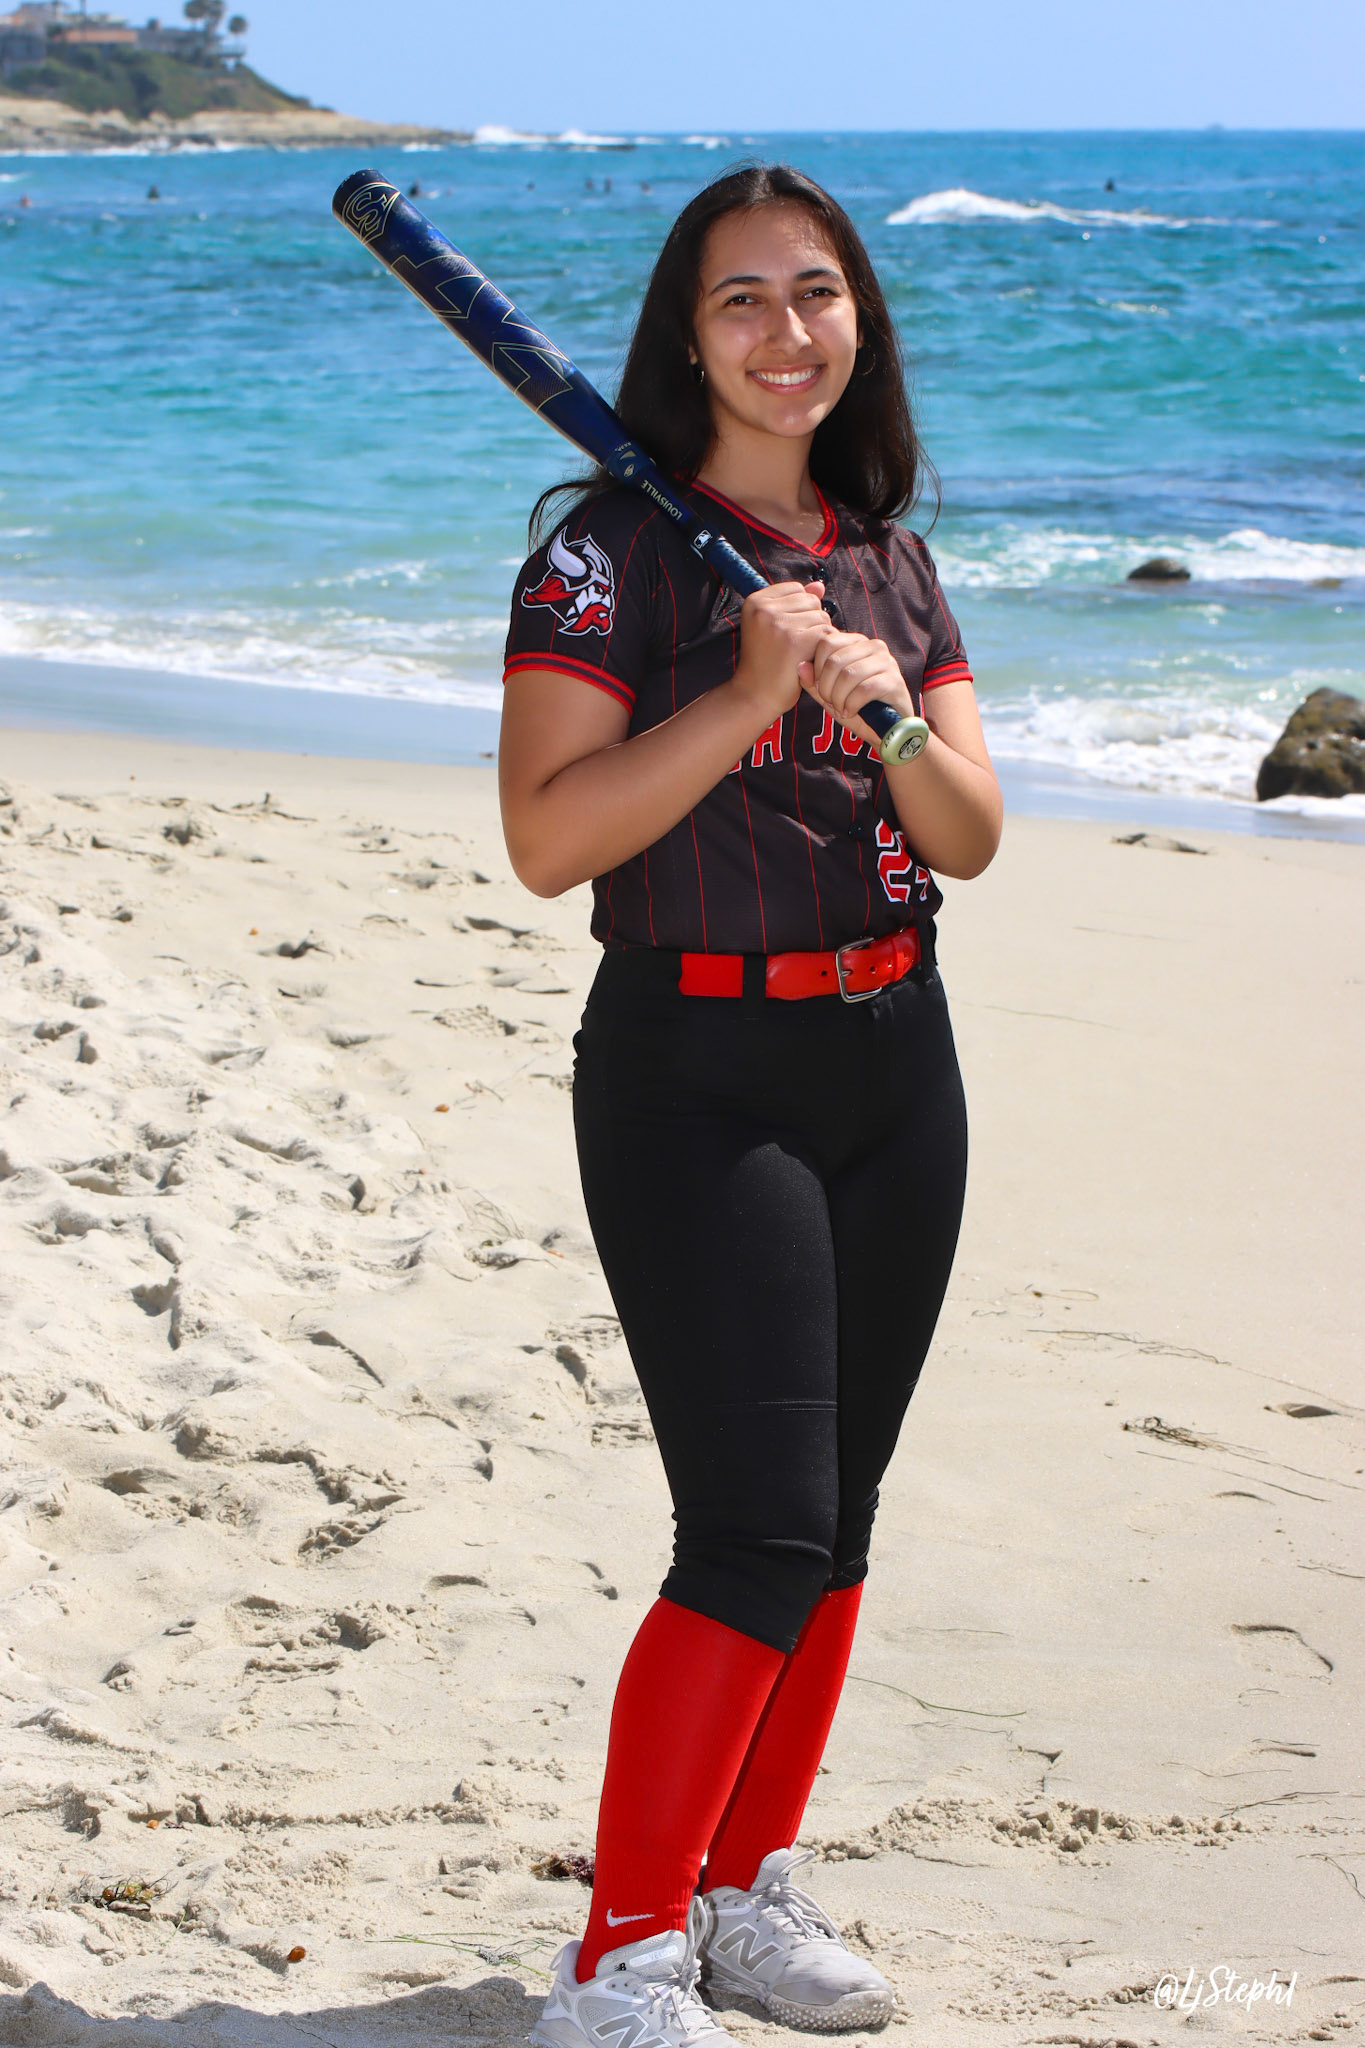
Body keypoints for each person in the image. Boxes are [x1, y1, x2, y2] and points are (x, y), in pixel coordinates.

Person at [499, 162, 1002, 2048]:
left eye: (815, 293)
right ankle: (621, 1954)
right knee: (755, 1527)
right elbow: (548, 840)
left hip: (896, 1056)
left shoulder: (889, 560)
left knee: (838, 1519)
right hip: (698, 1073)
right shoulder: (605, 554)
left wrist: (882, 710)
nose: (785, 332)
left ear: (857, 318)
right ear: (687, 336)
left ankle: (739, 1890)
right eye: (740, 300)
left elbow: (969, 833)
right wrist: (737, 697)